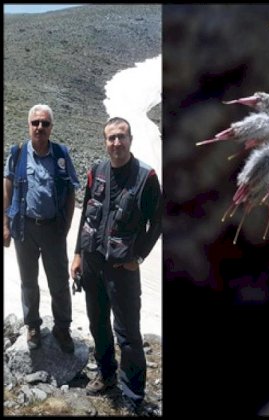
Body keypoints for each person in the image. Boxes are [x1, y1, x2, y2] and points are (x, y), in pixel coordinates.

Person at [70, 117, 162, 408]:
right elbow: (86, 214)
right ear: (105, 141)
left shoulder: (145, 177)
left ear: (130, 139)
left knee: (128, 335)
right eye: (111, 138)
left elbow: (158, 222)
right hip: (92, 262)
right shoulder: (96, 171)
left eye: (121, 137)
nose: (116, 143)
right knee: (98, 324)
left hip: (122, 268)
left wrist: (138, 256)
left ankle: (133, 395)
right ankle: (106, 375)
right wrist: (77, 254)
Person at [3, 104, 79, 354]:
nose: (40, 127)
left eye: (45, 123)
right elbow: (7, 190)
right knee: (28, 281)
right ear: (29, 125)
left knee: (59, 282)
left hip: (53, 229)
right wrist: (4, 223)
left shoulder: (61, 153)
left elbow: (70, 192)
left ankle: (62, 327)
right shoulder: (17, 153)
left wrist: (66, 225)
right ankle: (32, 325)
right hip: (24, 228)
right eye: (35, 122)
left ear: (51, 127)